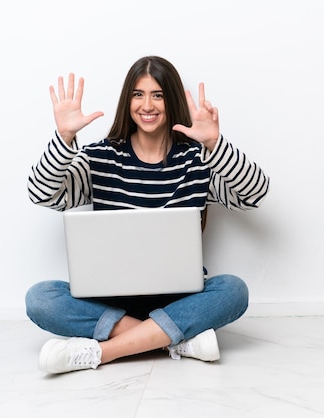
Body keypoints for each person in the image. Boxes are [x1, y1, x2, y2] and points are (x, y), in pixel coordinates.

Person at [26, 56, 270, 374]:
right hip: (112, 300)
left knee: (233, 290)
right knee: (41, 298)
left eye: (158, 94)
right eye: (138, 94)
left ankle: (103, 352)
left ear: (170, 101)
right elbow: (42, 194)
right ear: (128, 100)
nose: (147, 105)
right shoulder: (100, 157)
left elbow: (255, 195)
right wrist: (65, 140)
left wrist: (214, 144)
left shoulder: (197, 160)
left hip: (179, 298)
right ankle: (176, 340)